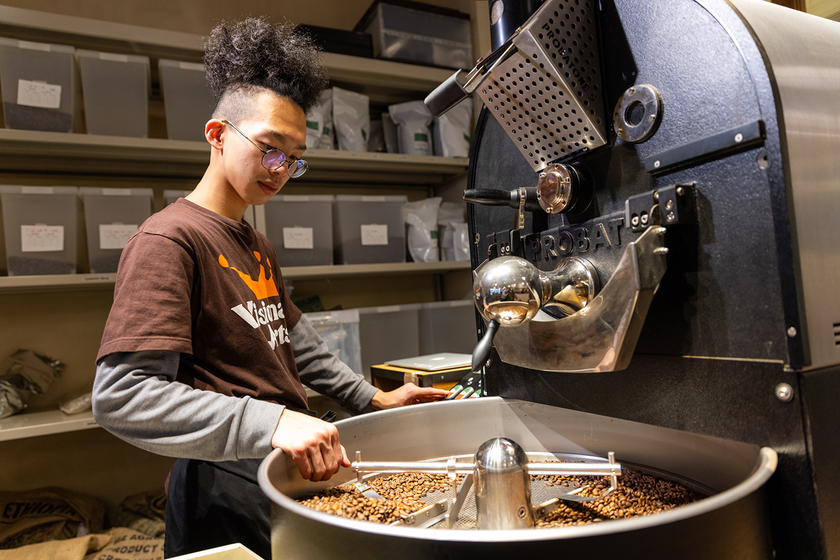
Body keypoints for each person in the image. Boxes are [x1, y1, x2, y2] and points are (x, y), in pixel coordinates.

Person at [91, 16, 448, 559]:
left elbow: (290, 343)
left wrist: (370, 397)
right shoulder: (168, 239)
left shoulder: (256, 242)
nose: (281, 169)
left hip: (274, 464)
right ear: (217, 135)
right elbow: (122, 397)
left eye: (295, 158)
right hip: (220, 483)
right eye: (269, 148)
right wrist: (275, 420)